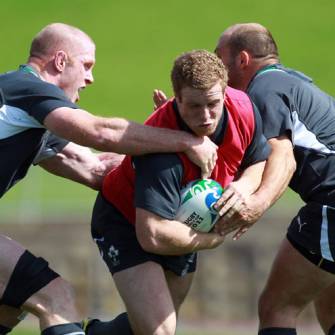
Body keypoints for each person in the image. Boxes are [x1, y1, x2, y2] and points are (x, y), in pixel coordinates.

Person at [0, 23, 219, 335]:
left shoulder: (29, 120)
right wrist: (184, 142)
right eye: (86, 65)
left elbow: (97, 170)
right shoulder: (25, 86)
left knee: (9, 306)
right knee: (54, 297)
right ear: (60, 61)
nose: (90, 78)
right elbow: (100, 133)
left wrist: (166, 162)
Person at [91, 49, 270, 335]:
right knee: (160, 329)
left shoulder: (243, 109)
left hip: (183, 224)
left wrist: (243, 187)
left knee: (153, 323)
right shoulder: (160, 154)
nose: (205, 116)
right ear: (177, 97)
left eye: (213, 104)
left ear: (225, 93)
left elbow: (259, 159)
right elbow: (152, 235)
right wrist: (212, 240)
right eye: (194, 106)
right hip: (125, 221)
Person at [213, 23, 335, 335]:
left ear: (242, 60)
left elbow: (282, 156)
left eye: (219, 60)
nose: (215, 71)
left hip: (332, 204)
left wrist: (256, 205)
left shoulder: (262, 91)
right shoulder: (291, 81)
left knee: (277, 307)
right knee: (329, 302)